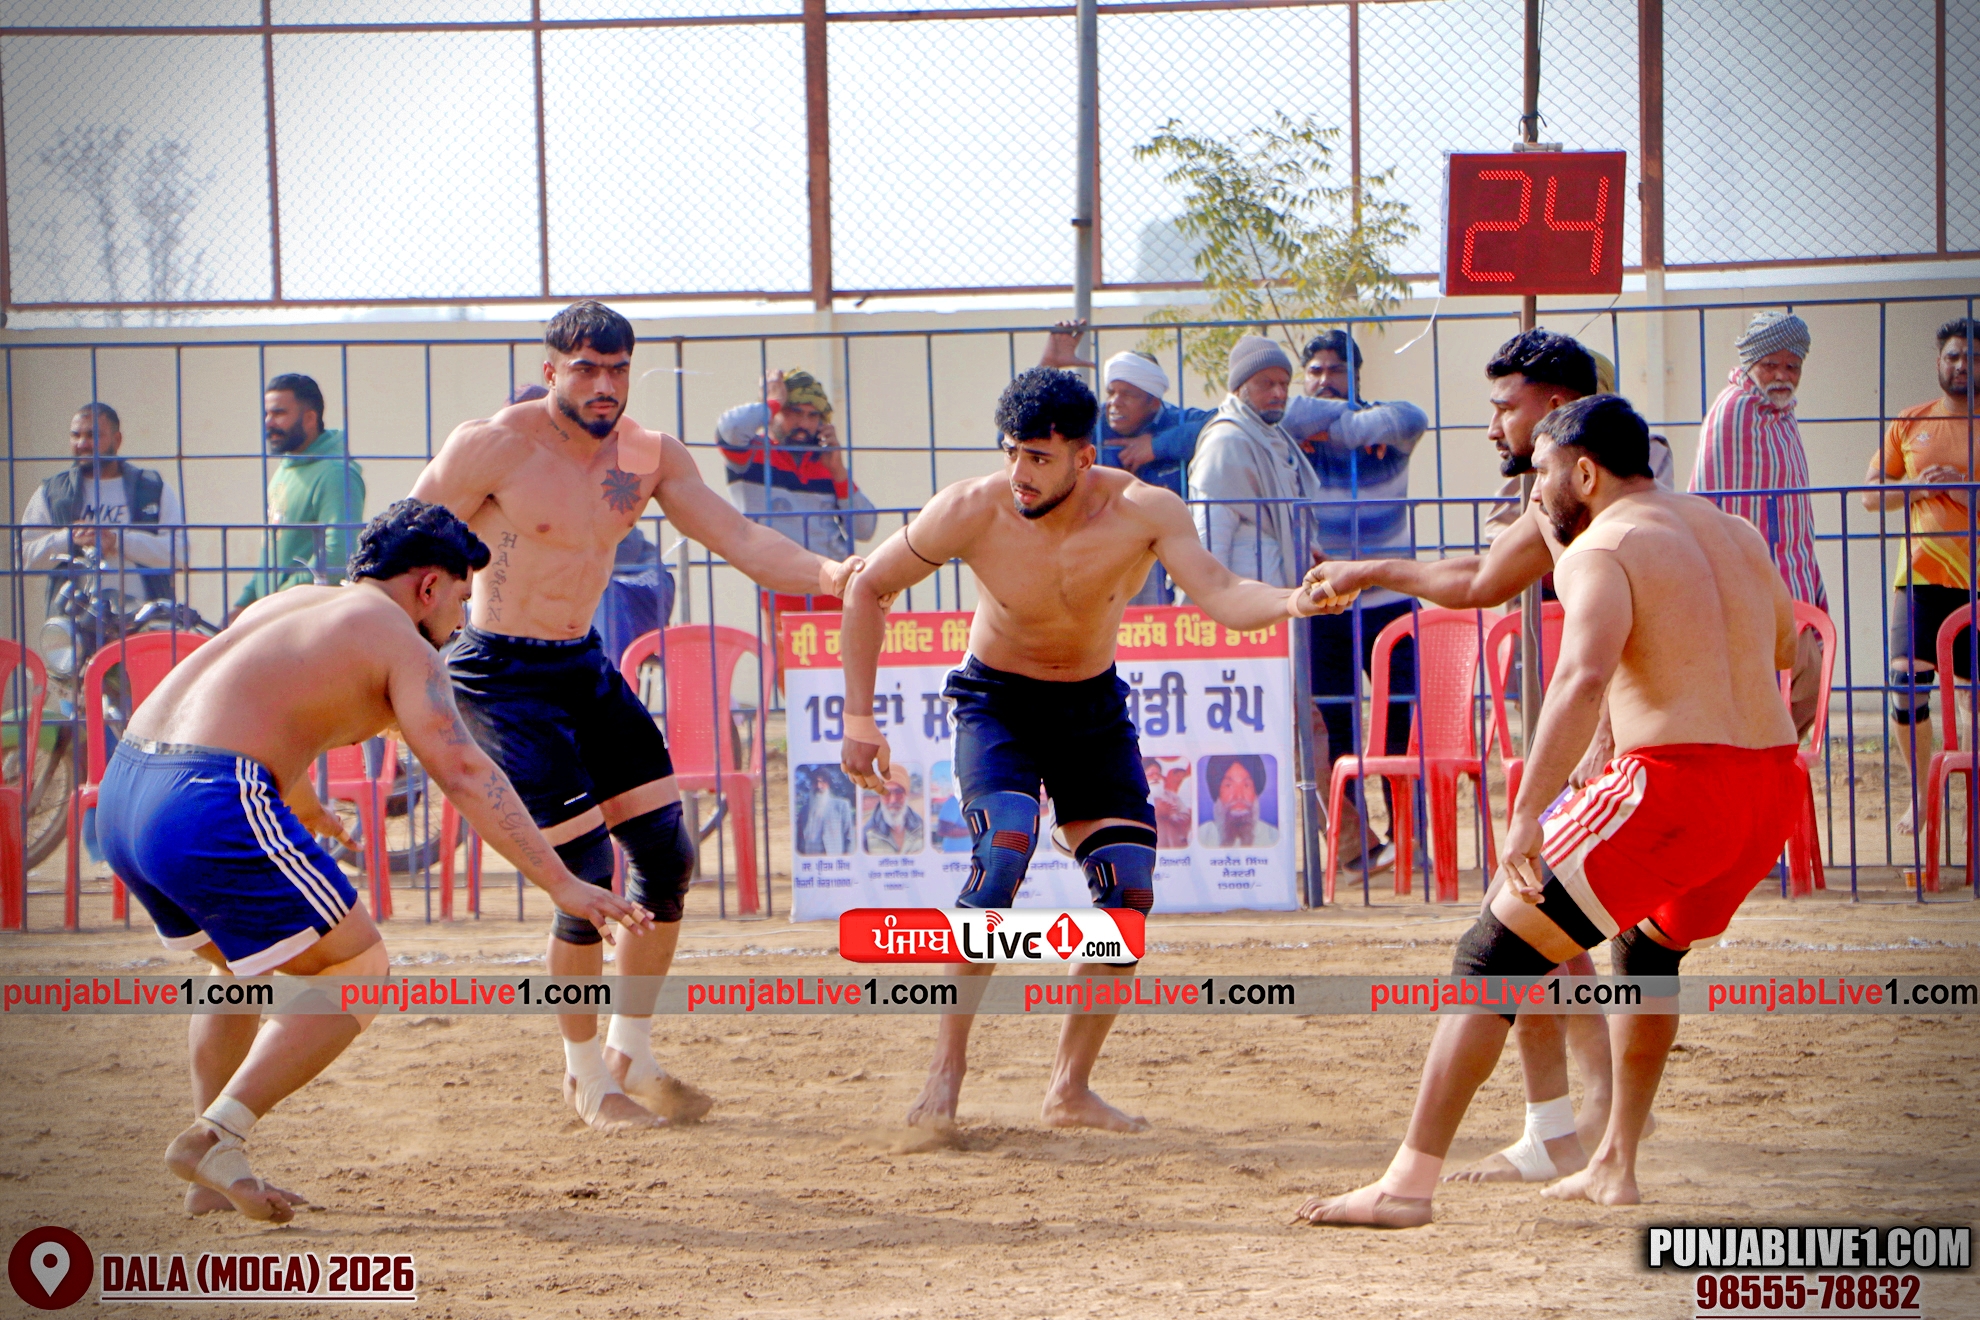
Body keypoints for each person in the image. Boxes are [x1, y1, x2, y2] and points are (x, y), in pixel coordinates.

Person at [1297, 395, 1802, 1226]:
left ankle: (1405, 1187)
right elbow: (1792, 648)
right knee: (1649, 954)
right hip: (1771, 785)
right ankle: (1614, 1165)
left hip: (1673, 784)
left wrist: (1527, 810)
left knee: (1488, 958)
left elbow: (1582, 677)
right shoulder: (1735, 533)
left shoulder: (1603, 544)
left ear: (1586, 472)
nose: (1534, 492)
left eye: (1541, 474)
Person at [97, 500, 651, 1222]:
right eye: (461, 598)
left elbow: (251, 706)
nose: (462, 620)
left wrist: (299, 801)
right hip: (209, 798)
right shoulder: (401, 642)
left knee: (236, 969)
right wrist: (562, 882)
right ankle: (214, 1136)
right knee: (359, 969)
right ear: (428, 585)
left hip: (126, 792)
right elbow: (464, 770)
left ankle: (212, 1177)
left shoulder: (292, 602)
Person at [839, 366, 1335, 1132]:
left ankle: (1068, 1089)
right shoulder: (972, 508)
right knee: (1002, 852)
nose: (1020, 472)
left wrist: (1294, 600)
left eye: (1038, 457)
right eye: (1012, 452)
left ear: (1084, 456)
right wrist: (859, 717)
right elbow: (867, 586)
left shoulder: (1143, 510)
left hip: (1091, 710)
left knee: (1128, 894)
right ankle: (947, 1068)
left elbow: (1220, 592)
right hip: (998, 704)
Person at [410, 300, 862, 1131]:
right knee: (585, 869)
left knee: (665, 853)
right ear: (551, 371)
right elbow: (403, 545)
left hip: (581, 663)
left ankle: (631, 1050)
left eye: (618, 369)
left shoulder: (649, 455)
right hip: (497, 672)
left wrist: (831, 576)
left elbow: (739, 537)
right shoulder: (493, 445)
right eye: (586, 368)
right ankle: (586, 1078)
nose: (605, 385)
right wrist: (386, 660)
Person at [1305, 331, 1666, 1188]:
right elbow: (1480, 576)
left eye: (1506, 407)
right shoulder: (1577, 493)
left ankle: (1588, 1124)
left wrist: (1584, 755)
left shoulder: (1600, 495)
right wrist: (1368, 569)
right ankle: (1561, 1127)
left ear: (1556, 409)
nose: (1493, 424)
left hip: (1632, 755)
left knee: (1528, 927)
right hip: (1614, 745)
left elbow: (1499, 595)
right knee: (1533, 931)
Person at [1285, 330, 1431, 874]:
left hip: (1392, 602)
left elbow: (1411, 417)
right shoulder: (1289, 431)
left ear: (1356, 375)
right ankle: (1358, 851)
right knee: (1337, 725)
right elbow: (1279, 416)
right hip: (1326, 604)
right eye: (1315, 371)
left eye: (1336, 370)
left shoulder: (1393, 423)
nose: (1325, 379)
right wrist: (1329, 423)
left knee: (1402, 724)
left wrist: (1333, 425)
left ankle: (1410, 840)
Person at [1861, 317, 1979, 835]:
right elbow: (1870, 496)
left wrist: (1963, 487)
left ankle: (1974, 800)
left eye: (1973, 357)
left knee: (1975, 697)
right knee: (1907, 683)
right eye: (1953, 355)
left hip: (1977, 583)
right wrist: (1915, 486)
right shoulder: (1910, 421)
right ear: (1938, 362)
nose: (1962, 365)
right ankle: (1922, 792)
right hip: (1920, 578)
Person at [1690, 311, 1825, 739]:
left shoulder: (1783, 415)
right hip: (1748, 589)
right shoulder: (1735, 411)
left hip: (1794, 579)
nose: (1782, 375)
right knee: (1757, 702)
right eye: (1770, 364)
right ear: (1750, 363)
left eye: (1792, 366)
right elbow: (1715, 509)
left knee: (1805, 690)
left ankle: (1772, 767)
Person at [1038, 320, 1214, 605]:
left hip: (1162, 554)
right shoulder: (1091, 421)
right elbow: (1017, 433)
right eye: (1111, 392)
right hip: (1095, 550)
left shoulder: (1175, 420)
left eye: (1128, 394)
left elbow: (1224, 423)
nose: (1115, 403)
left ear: (1154, 403)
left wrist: (1156, 446)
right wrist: (1048, 367)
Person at [21, 400, 187, 606]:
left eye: (92, 435)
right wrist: (69, 537)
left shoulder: (152, 488)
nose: (82, 444)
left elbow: (180, 553)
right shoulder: (52, 492)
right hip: (73, 619)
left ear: (117, 440)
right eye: (75, 435)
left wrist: (117, 540)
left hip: (145, 619)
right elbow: (23, 558)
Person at [1188, 335, 1322, 588]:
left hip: (1281, 595)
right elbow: (1210, 541)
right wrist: (1213, 599)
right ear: (1239, 388)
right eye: (1266, 384)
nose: (1279, 393)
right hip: (1243, 599)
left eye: (1284, 384)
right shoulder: (1226, 442)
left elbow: (1287, 524)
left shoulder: (1276, 439)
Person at [232, 374, 366, 618]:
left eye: (279, 413)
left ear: (310, 418)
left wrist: (277, 601)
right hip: (273, 615)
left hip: (306, 619)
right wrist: (245, 603)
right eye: (266, 414)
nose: (268, 422)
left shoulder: (336, 473)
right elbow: (272, 551)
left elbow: (337, 555)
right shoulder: (285, 469)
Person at [716, 368, 877, 562]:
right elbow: (731, 428)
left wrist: (839, 472)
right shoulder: (752, 453)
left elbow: (865, 530)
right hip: (778, 576)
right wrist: (773, 401)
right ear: (773, 414)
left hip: (835, 574)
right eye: (795, 412)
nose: (804, 424)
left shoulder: (825, 460)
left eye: (813, 416)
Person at [1197, 754, 1277, 848]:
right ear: (1217, 792)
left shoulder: (1273, 837)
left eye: (1246, 785)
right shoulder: (1201, 836)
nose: (1239, 796)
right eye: (1228, 785)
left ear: (1255, 792)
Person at [862, 766, 924, 854]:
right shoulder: (867, 833)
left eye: (898, 792)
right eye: (886, 793)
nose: (893, 800)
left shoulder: (921, 828)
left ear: (906, 795)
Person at [799, 767, 855, 855]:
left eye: (822, 782)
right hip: (810, 859)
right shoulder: (804, 811)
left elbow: (850, 837)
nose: (819, 786)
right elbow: (799, 839)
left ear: (828, 784)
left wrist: (847, 860)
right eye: (815, 782)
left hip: (833, 859)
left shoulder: (841, 806)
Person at [1145, 757, 1190, 850]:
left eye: (1158, 774)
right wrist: (1156, 813)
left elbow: (1187, 817)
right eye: (1150, 775)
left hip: (1176, 849)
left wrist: (1171, 816)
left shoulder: (1172, 797)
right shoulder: (1139, 798)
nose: (1155, 777)